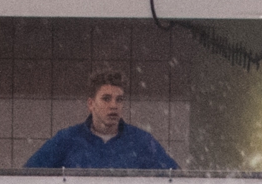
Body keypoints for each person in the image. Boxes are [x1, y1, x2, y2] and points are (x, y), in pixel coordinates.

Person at [24, 69, 179, 170]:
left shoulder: (142, 142)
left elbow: (177, 182)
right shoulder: (67, 140)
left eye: (119, 100)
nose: (114, 106)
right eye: (106, 99)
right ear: (91, 104)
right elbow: (27, 178)